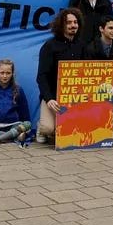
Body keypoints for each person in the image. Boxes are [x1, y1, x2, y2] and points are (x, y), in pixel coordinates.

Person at [36, 8, 84, 144]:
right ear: (61, 25)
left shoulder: (82, 46)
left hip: (75, 96)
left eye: (75, 22)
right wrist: (49, 98)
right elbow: (41, 76)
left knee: (73, 128)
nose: (73, 25)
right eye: (69, 22)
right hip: (53, 97)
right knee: (49, 129)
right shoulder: (49, 46)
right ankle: (41, 127)